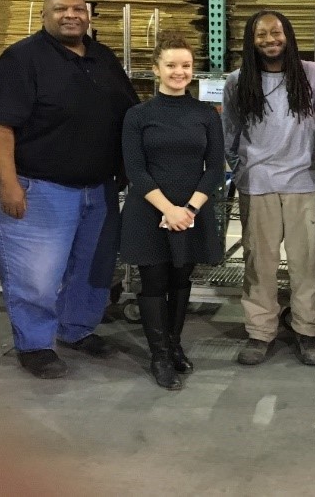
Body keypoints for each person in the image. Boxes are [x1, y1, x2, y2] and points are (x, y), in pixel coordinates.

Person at [0, 0, 138, 379]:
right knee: (35, 275)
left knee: (93, 269)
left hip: (99, 188)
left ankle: (77, 329)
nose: (70, 15)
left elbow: (125, 114)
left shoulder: (102, 57)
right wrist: (8, 183)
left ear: (88, 15)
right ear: (43, 15)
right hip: (39, 186)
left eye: (77, 9)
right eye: (60, 9)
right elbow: (1, 126)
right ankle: (35, 345)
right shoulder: (21, 59)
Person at [223, 10, 315, 367]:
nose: (270, 40)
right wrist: (240, 168)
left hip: (306, 183)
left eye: (276, 32)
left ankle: (308, 331)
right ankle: (260, 332)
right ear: (251, 41)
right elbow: (230, 132)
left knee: (307, 263)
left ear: (288, 34)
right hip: (258, 184)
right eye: (261, 35)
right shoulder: (238, 81)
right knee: (260, 262)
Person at [120, 35, 224, 389]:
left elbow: (214, 168)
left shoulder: (206, 115)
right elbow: (136, 170)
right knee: (154, 281)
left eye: (185, 66)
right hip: (151, 210)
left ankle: (175, 345)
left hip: (193, 211)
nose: (179, 72)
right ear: (156, 70)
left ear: (192, 71)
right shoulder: (138, 115)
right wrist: (169, 210)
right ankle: (159, 355)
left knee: (181, 279)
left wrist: (190, 209)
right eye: (171, 65)